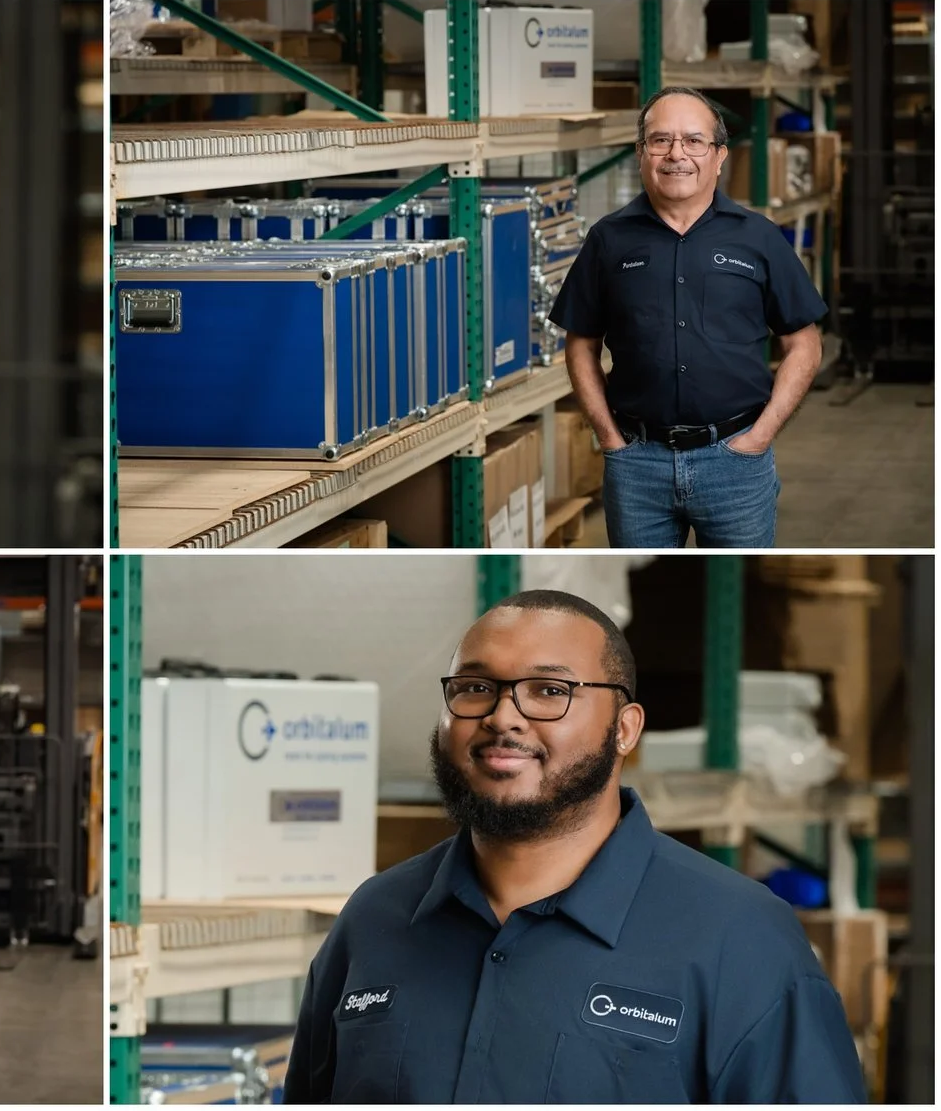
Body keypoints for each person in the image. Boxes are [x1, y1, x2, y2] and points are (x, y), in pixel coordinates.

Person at [283, 590, 864, 1103]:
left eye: (549, 691)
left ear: (625, 729)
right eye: (476, 688)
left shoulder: (741, 939)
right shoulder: (374, 920)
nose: (502, 716)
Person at [549, 87, 828, 548]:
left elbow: (804, 343)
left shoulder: (758, 237)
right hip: (638, 464)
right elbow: (581, 343)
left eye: (694, 141)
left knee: (737, 586)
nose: (677, 154)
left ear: (719, 156)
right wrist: (610, 440)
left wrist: (759, 437)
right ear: (641, 154)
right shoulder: (609, 240)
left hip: (735, 462)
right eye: (660, 140)